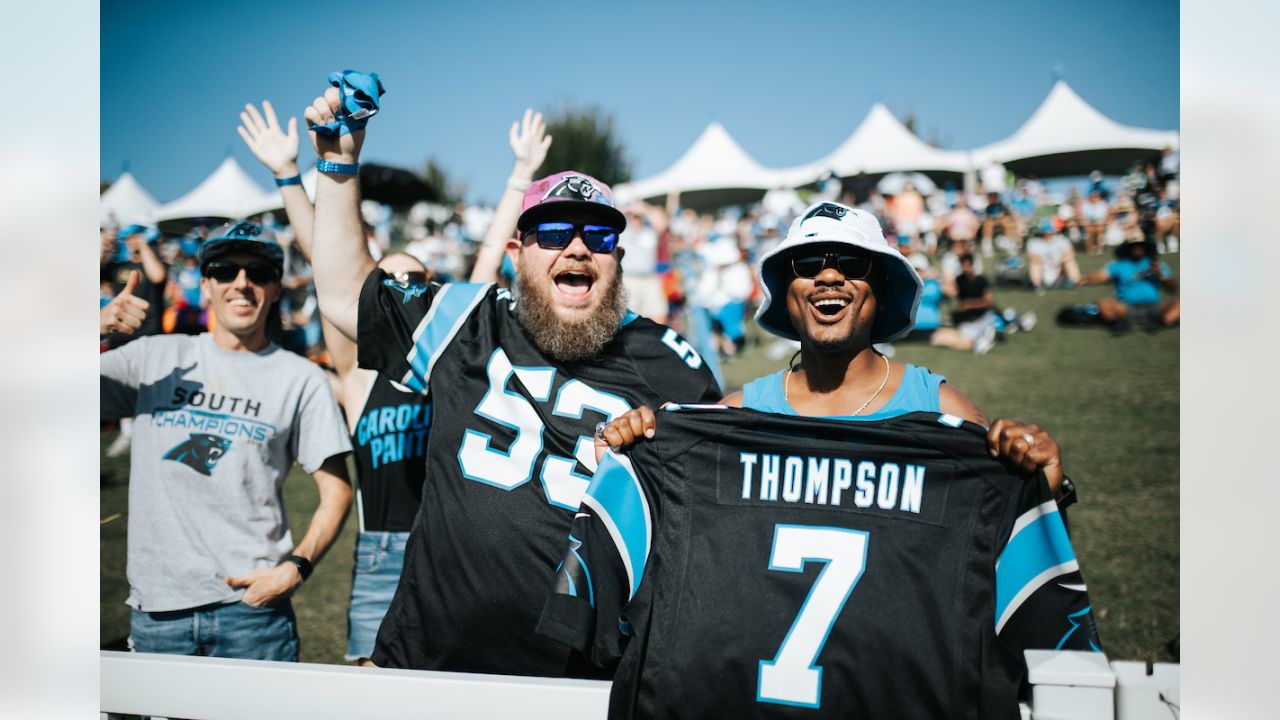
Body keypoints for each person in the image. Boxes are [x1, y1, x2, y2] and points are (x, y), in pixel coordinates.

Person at [561, 201, 1092, 717]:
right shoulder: (730, 421)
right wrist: (629, 461)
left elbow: (1003, 560)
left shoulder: (943, 414)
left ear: (879, 288)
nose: (829, 277)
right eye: (808, 264)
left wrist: (1047, 486)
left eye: (852, 263)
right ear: (786, 291)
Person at [302, 84, 721, 676]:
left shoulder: (670, 363)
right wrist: (338, 162)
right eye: (553, 234)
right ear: (517, 252)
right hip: (431, 660)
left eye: (598, 237)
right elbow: (345, 294)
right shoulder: (466, 317)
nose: (577, 248)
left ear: (618, 259)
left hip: (582, 682)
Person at [238, 99, 436, 665]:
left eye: (416, 281)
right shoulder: (357, 372)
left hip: (446, 550)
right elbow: (331, 266)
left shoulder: (453, 367)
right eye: (389, 282)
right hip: (377, 556)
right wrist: (290, 173)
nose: (402, 294)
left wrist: (519, 177)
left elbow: (487, 259)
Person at [99, 221, 353, 662]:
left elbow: (337, 492)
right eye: (225, 269)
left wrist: (296, 569)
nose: (242, 282)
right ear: (206, 284)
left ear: (276, 289)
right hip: (160, 613)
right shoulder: (155, 356)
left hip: (254, 615)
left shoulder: (302, 378)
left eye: (258, 272)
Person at [1079, 236, 1180, 334]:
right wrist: (1085, 278)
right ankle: (1122, 323)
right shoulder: (1119, 264)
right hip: (1126, 307)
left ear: (1145, 247)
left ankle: (1159, 323)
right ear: (1128, 248)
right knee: (1102, 303)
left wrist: (1160, 274)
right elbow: (1101, 275)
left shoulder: (1156, 264)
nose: (1137, 248)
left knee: (1180, 305)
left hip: (1154, 306)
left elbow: (1172, 288)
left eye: (1140, 245)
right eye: (1134, 246)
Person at [1026, 218, 1082, 294]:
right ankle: (1037, 285)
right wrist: (1048, 262)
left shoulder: (1062, 240)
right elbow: (1033, 257)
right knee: (1034, 264)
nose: (1048, 234)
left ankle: (1075, 283)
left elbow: (1071, 253)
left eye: (1049, 232)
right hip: (1043, 270)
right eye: (1045, 233)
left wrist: (1059, 261)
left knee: (1070, 261)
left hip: (1059, 270)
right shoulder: (1033, 242)